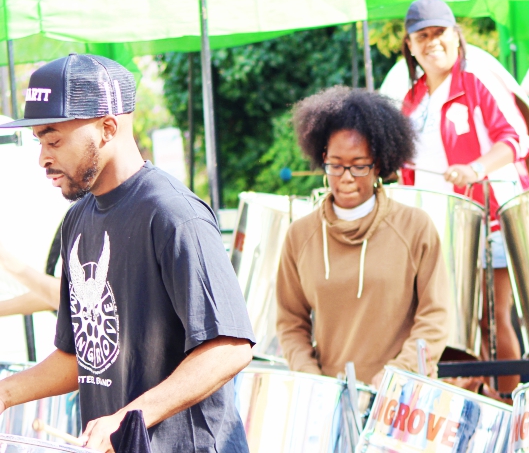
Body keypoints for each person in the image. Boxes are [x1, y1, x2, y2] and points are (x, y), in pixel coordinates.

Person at [0, 54, 255, 453]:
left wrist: (126, 418)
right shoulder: (76, 221)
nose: (43, 159)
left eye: (54, 140)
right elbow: (80, 357)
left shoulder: (174, 214)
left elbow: (229, 348)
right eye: (39, 143)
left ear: (107, 128)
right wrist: (5, 392)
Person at [397, 0, 529, 396]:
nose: (432, 42)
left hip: (489, 219)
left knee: (493, 319)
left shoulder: (477, 80)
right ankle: (474, 405)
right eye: (422, 36)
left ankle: (508, 403)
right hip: (440, 229)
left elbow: (516, 139)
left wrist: (475, 170)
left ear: (456, 36)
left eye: (440, 32)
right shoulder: (412, 101)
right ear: (409, 45)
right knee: (453, 324)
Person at [276, 87, 449, 387]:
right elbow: (290, 323)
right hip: (330, 401)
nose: (345, 177)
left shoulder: (415, 227)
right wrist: (314, 382)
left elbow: (435, 318)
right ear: (322, 158)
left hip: (403, 399)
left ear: (379, 164)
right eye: (336, 165)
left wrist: (398, 375)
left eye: (359, 166)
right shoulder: (299, 235)